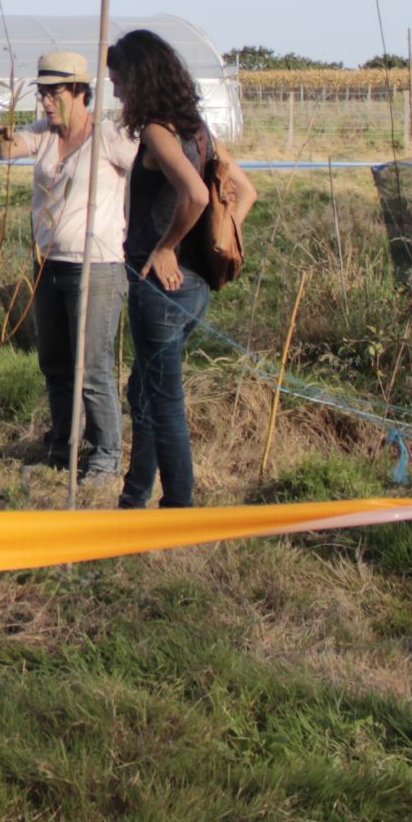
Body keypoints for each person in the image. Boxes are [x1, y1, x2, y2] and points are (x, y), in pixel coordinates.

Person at [108, 28, 249, 510]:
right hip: (194, 290)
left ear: (139, 77)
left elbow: (196, 195)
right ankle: (133, 497)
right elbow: (245, 194)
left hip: (161, 288)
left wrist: (169, 245)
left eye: (119, 80)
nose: (116, 91)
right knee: (143, 389)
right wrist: (208, 242)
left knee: (163, 402)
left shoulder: (156, 132)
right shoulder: (200, 132)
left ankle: (179, 510)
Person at [0, 50, 135, 482]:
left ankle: (106, 455)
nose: (47, 102)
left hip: (98, 268)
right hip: (48, 264)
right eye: (43, 93)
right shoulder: (44, 134)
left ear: (80, 93)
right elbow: (5, 150)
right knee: (54, 361)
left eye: (55, 94)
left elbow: (149, 168)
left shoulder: (109, 137)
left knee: (92, 366)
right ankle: (63, 445)